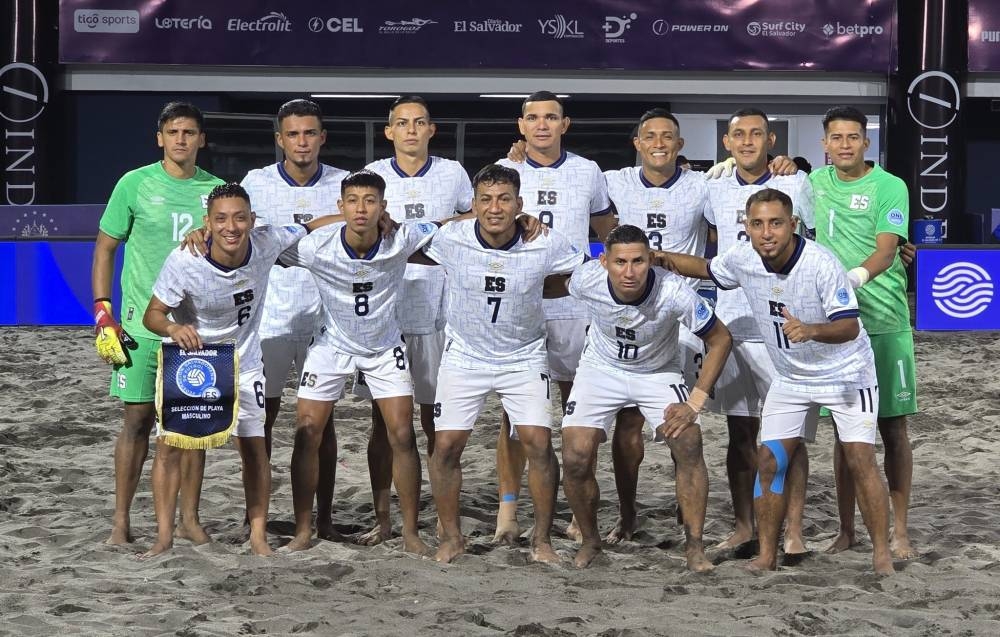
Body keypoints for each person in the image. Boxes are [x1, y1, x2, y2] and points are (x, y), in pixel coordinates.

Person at [661, 188, 894, 574]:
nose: (766, 232)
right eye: (757, 224)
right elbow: (705, 268)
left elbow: (849, 327)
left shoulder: (821, 263)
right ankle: (767, 555)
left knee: (860, 459)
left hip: (846, 374)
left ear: (793, 225)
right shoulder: (742, 258)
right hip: (791, 377)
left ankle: (881, 554)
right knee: (769, 460)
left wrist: (811, 330)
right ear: (747, 226)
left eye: (775, 223)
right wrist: (660, 258)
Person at [142, 182, 334, 557]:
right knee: (170, 448)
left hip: (243, 363)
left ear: (252, 220)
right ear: (207, 223)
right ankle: (164, 538)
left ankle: (258, 537)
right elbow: (153, 314)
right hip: (193, 361)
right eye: (221, 219)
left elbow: (312, 225)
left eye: (239, 218)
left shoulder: (267, 242)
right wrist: (173, 328)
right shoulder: (185, 260)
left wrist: (368, 217)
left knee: (254, 449)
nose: (231, 227)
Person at [419, 164, 586, 563]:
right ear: (473, 205)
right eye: (486, 200)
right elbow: (399, 239)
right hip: (465, 356)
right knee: (446, 447)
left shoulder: (544, 241)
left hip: (523, 356)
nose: (495, 208)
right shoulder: (451, 238)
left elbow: (580, 272)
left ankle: (542, 541)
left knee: (539, 445)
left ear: (519, 203)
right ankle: (451, 538)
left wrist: (535, 287)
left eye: (504, 200)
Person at [552, 225, 732, 569]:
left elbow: (721, 339)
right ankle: (590, 541)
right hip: (600, 369)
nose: (629, 271)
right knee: (575, 456)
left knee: (689, 442)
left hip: (657, 372)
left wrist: (694, 402)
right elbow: (553, 286)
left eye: (638, 261)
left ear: (651, 259)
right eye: (620, 262)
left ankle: (695, 547)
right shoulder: (587, 279)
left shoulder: (674, 291)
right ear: (604, 262)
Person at [280, 170, 436, 554]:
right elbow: (261, 240)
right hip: (331, 345)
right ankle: (304, 530)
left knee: (402, 434)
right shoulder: (316, 247)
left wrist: (520, 221)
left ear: (384, 206)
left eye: (370, 201)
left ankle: (408, 532)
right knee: (307, 433)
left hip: (384, 347)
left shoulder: (401, 238)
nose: (361, 209)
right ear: (340, 206)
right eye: (352, 201)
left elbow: (456, 224)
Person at [92, 101, 223, 546]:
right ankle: (121, 521)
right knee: (137, 420)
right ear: (160, 138)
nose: (181, 139)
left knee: (192, 428)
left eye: (189, 132)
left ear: (202, 139)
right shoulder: (134, 184)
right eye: (173, 132)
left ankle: (189, 520)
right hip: (140, 325)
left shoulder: (217, 190)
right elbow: (105, 247)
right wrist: (102, 310)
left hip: (195, 328)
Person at [493, 90, 615, 543]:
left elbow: (606, 229)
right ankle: (508, 511)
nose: (541, 125)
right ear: (521, 125)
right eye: (533, 118)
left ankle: (576, 509)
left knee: (577, 412)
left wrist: (599, 269)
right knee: (514, 416)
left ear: (565, 125)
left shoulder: (587, 171)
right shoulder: (505, 170)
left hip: (573, 306)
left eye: (550, 117)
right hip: (520, 306)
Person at [357, 95, 473, 545]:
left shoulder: (452, 173)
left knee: (433, 421)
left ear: (431, 130)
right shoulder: (373, 174)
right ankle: (384, 517)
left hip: (436, 310)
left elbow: (474, 215)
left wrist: (437, 225)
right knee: (383, 423)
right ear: (389, 131)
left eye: (419, 122)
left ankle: (441, 517)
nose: (411, 130)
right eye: (402, 123)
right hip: (384, 312)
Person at [597, 108, 713, 543]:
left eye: (668, 136)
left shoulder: (703, 185)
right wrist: (518, 155)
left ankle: (688, 513)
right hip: (634, 315)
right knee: (628, 423)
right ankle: (628, 514)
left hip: (682, 317)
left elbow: (747, 187)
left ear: (680, 145)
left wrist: (785, 165)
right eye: (650, 136)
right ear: (638, 144)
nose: (659, 143)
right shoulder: (613, 181)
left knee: (683, 426)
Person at [704, 107, 815, 555]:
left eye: (756, 134)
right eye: (739, 135)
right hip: (732, 325)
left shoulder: (796, 184)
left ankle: (794, 530)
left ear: (771, 141)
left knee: (790, 436)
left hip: (783, 326)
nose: (747, 141)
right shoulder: (713, 187)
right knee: (740, 433)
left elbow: (815, 243)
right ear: (727, 143)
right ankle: (744, 526)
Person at [811, 106, 916, 559]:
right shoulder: (813, 182)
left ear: (865, 142)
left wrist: (849, 281)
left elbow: (888, 250)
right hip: (837, 327)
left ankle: (900, 531)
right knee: (843, 432)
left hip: (885, 320)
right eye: (836, 137)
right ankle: (847, 530)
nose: (844, 145)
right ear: (825, 144)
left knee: (892, 428)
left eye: (852, 137)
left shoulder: (890, 186)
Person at [240, 98, 348, 540]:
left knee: (321, 426)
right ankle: (256, 517)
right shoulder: (256, 183)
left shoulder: (344, 182)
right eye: (293, 134)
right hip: (270, 319)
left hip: (325, 322)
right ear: (279, 139)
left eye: (309, 133)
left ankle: (322, 520)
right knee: (259, 422)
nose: (302, 141)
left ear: (322, 137)